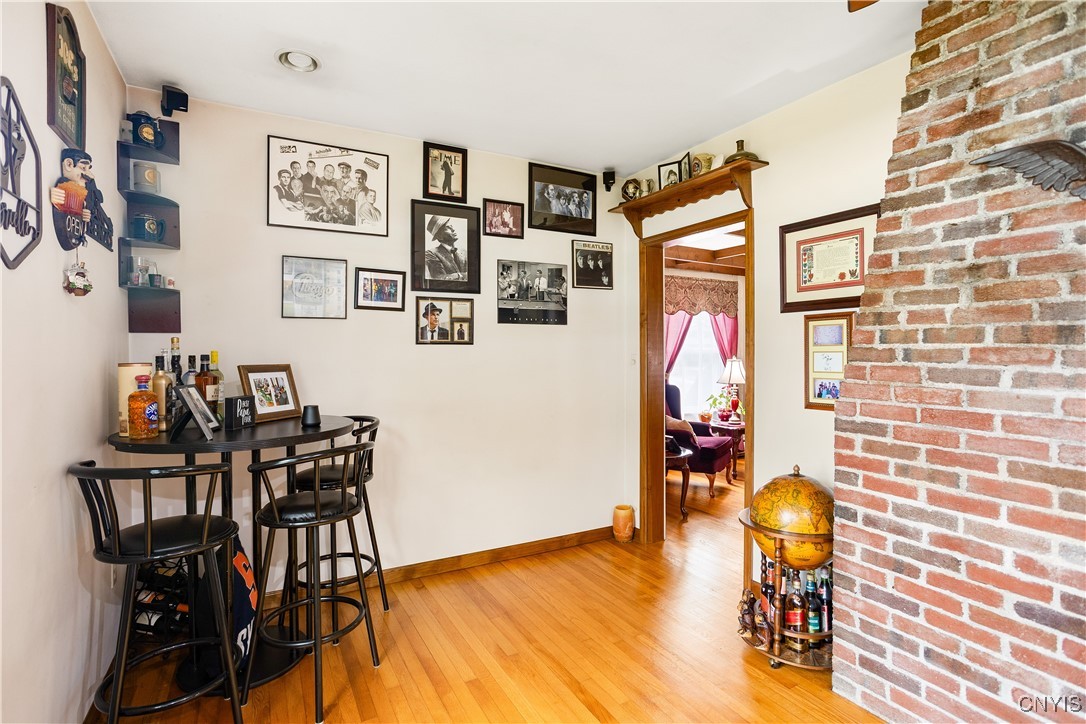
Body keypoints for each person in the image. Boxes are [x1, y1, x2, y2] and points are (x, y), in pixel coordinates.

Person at [423, 216, 466, 281]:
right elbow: (440, 278)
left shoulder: (464, 252)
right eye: (448, 227)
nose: (453, 229)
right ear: (439, 236)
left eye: (451, 226)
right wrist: (465, 275)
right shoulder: (430, 254)